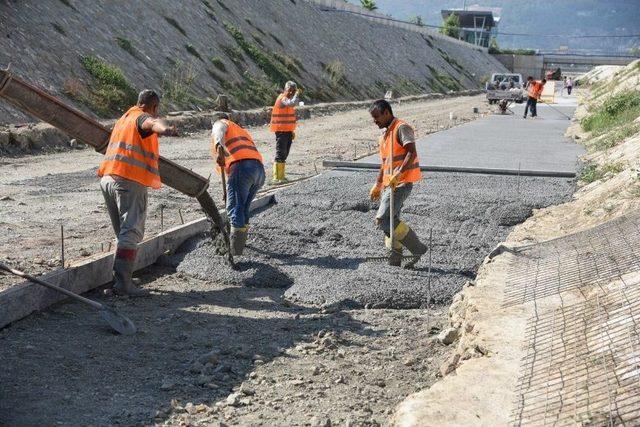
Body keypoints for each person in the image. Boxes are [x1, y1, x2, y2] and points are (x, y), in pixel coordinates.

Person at [98, 89, 177, 296]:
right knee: (131, 233)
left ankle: (122, 279)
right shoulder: (142, 117)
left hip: (108, 177)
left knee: (123, 233)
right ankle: (123, 286)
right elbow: (151, 123)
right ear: (153, 107)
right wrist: (165, 128)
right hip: (128, 180)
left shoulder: (124, 118)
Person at [369, 99, 427, 268]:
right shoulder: (385, 135)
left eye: (377, 117)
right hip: (390, 185)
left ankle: (417, 248)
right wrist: (378, 185)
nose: (375, 121)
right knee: (392, 220)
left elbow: (411, 152)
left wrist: (399, 174)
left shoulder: (401, 128)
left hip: (401, 184)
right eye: (373, 118)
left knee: (383, 220)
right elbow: (384, 163)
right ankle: (395, 260)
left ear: (387, 112)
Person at [211, 112, 265, 255]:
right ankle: (240, 244)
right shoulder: (240, 130)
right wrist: (228, 190)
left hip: (243, 169)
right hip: (258, 171)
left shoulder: (221, 123)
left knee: (235, 209)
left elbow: (218, 129)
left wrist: (219, 146)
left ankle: (235, 252)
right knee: (243, 208)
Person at [269, 81, 301, 183]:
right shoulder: (282, 98)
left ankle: (281, 176)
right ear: (285, 90)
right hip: (281, 130)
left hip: (287, 131)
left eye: (293, 91)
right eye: (290, 91)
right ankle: (277, 177)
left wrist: (291, 131)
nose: (291, 93)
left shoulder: (288, 98)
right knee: (280, 152)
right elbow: (291, 104)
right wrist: (296, 95)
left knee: (285, 153)